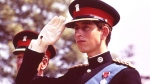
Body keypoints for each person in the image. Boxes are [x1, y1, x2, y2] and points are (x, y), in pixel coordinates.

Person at [15, 0, 142, 84]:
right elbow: (25, 82)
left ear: (104, 32)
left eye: (85, 27)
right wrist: (40, 46)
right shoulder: (74, 76)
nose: (78, 33)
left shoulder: (125, 75)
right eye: (76, 28)